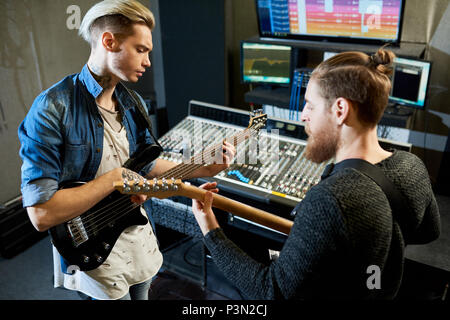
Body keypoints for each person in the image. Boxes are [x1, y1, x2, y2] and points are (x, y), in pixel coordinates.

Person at [18, 0, 234, 300]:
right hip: (94, 255)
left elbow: (146, 170)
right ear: (109, 41)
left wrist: (202, 167)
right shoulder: (52, 108)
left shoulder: (134, 104)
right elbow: (40, 214)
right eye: (141, 50)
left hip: (137, 241)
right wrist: (112, 179)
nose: (147, 61)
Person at [192, 48, 441, 299]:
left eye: (310, 105)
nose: (303, 116)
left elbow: (273, 291)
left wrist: (210, 229)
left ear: (340, 109)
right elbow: (429, 231)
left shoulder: (331, 199)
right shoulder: (413, 167)